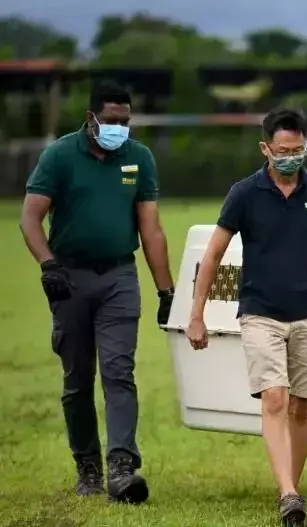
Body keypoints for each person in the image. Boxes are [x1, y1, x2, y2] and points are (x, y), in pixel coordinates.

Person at [186, 108, 307, 527]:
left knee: (302, 406)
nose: (290, 157)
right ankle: (290, 492)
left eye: (298, 150)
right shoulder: (244, 193)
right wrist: (196, 315)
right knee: (275, 397)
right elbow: (214, 255)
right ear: (265, 148)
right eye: (282, 150)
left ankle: (288, 486)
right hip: (260, 313)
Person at [19, 80, 175, 503]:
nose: (119, 128)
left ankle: (122, 468)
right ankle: (87, 464)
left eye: (125, 121)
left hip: (119, 278)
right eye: (110, 121)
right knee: (77, 378)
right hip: (69, 277)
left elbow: (151, 229)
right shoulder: (59, 156)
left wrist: (167, 292)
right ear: (91, 119)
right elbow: (30, 219)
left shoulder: (138, 157)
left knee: (119, 372)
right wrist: (48, 263)